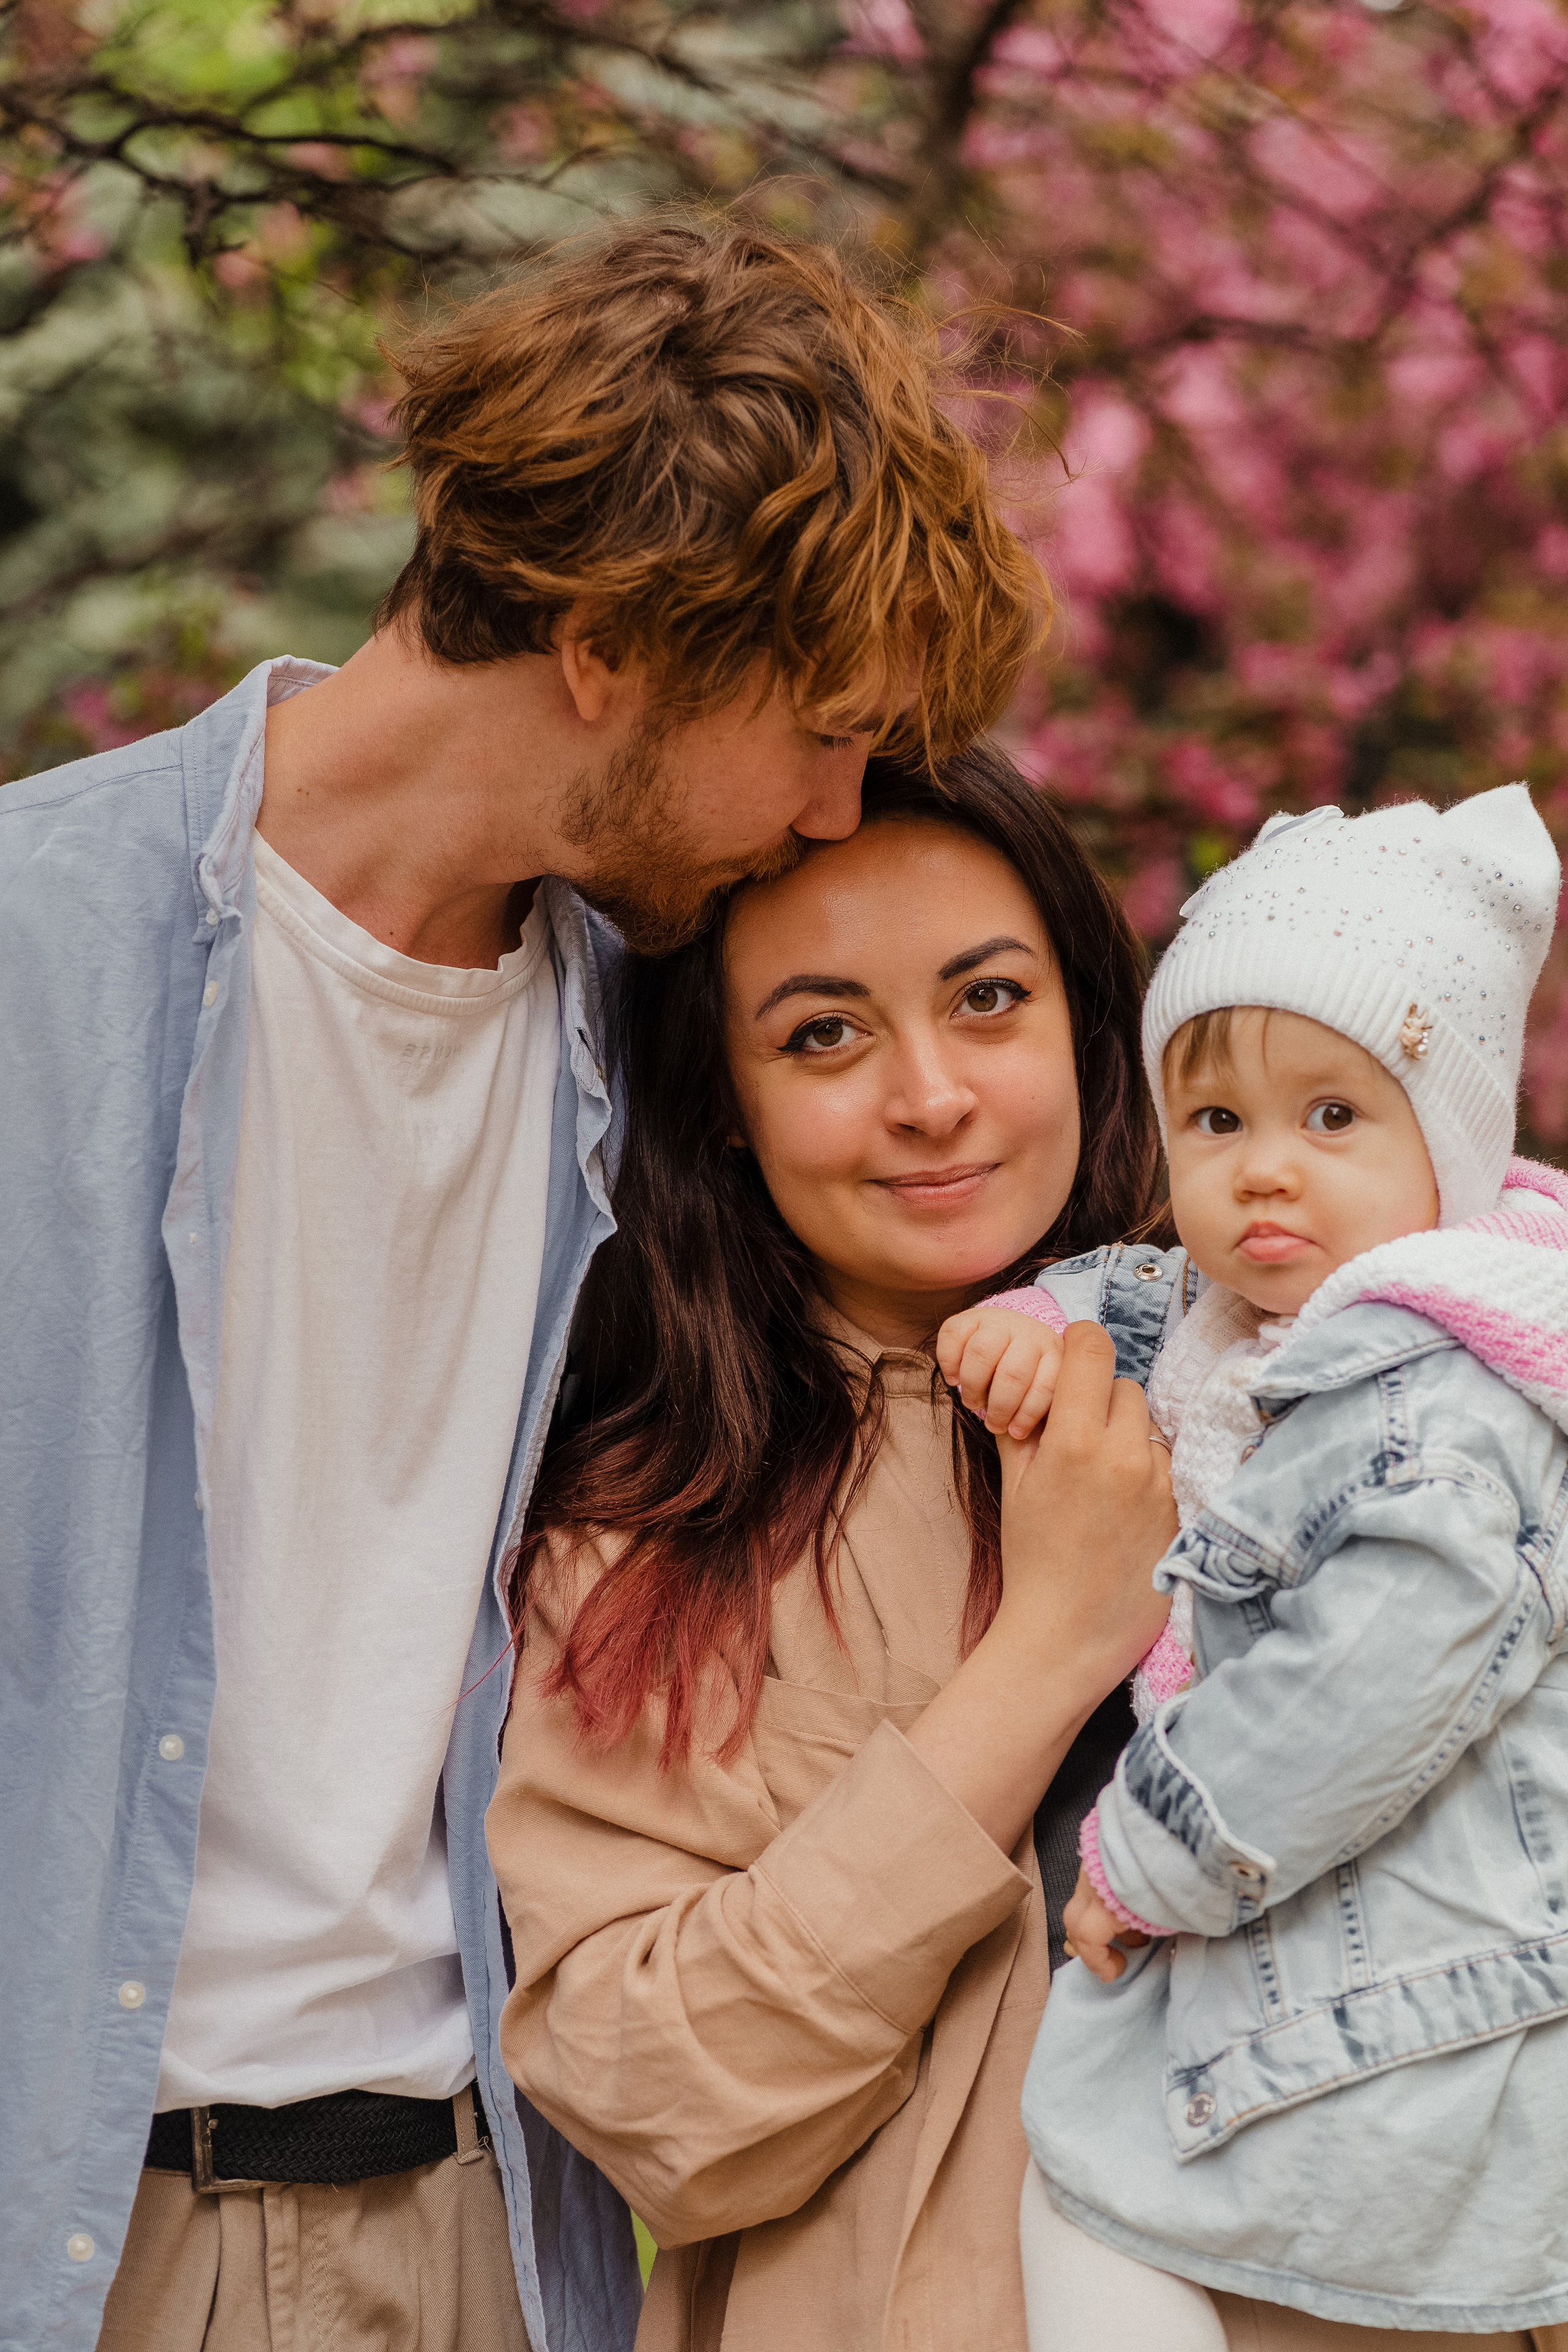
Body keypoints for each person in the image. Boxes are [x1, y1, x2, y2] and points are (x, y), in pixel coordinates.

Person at [0, 217, 1042, 2352]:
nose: (844, 805)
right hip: (82, 2231)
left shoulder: (668, 1056)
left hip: (501, 2238)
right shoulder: (33, 967)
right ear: (602, 645)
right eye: (821, 730)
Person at [486, 745, 1185, 2352]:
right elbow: (655, 2097)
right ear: (725, 1111)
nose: (931, 1093)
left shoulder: (1334, 1398)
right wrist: (1052, 1648)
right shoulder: (647, 1547)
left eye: (989, 1000)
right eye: (825, 1033)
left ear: (1087, 1020)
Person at [952, 788, 1568, 2349]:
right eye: (1216, 1124)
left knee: (1087, 2188)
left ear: (1451, 1140)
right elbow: (1143, 1298)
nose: (1263, 1174)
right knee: (1087, 2196)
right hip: (1315, 1966)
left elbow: (1356, 1682)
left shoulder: (1438, 1398)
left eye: (1333, 1119)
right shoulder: (1251, 1320)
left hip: (1409, 1984)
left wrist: (1136, 1865)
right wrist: (1029, 1327)